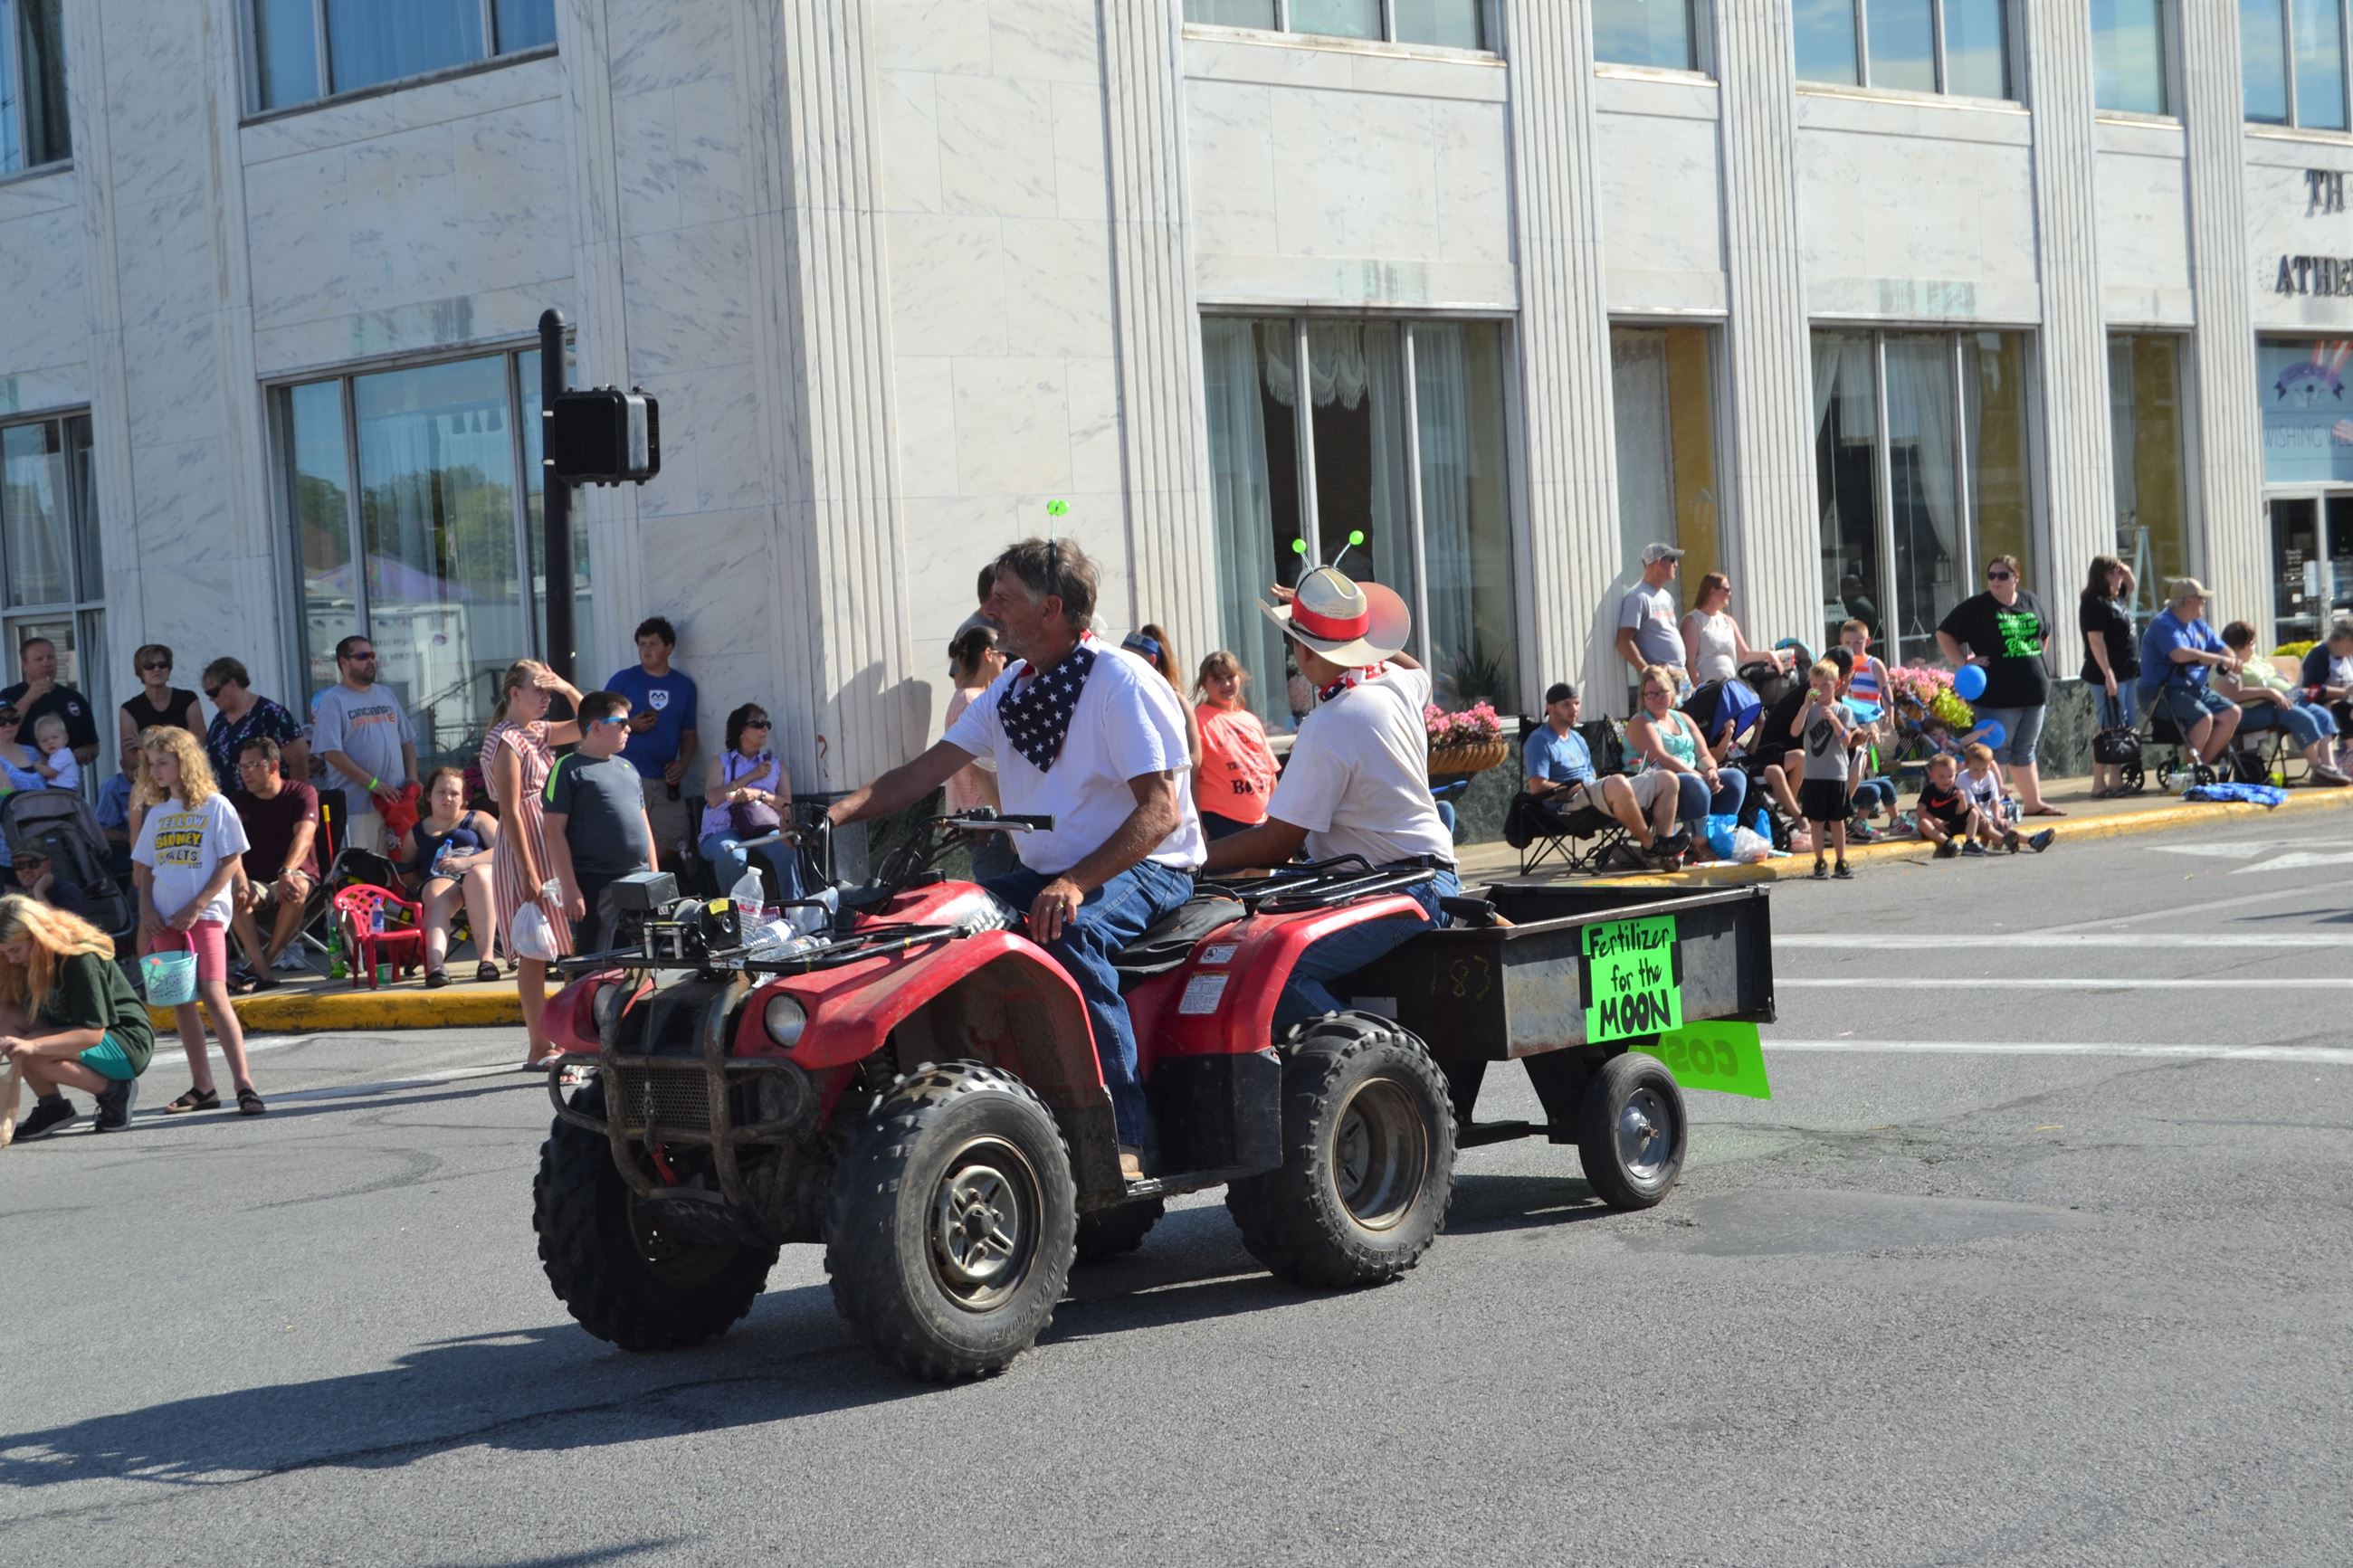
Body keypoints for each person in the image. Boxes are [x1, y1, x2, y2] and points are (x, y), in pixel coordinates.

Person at [825, 538, 1199, 1181]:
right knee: (944, 917)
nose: (987, 606)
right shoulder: (1011, 690)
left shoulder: (1120, 682)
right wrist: (833, 813)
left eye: (1004, 596)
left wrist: (1077, 884)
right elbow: (923, 772)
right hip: (1051, 870)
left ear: (1051, 608)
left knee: (1069, 928)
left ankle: (1125, 1135)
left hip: (1148, 866)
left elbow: (1160, 812)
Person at [1201, 565, 1454, 1026]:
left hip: (1398, 889)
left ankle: (1375, 1066)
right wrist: (1358, 632)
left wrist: (1192, 857)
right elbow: (1417, 671)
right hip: (1425, 881)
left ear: (1302, 650)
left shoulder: (1330, 721)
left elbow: (1276, 843)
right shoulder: (1394, 687)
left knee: (1270, 971)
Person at [131, 727, 263, 1117]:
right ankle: (203, 1086)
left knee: (213, 991)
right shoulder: (158, 813)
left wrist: (198, 903)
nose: (155, 771)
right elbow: (147, 870)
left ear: (182, 763)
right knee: (179, 999)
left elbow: (230, 861)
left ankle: (244, 1083)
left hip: (202, 915)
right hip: (164, 918)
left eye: (162, 763)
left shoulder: (215, 805)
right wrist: (146, 909)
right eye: (151, 764)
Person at [481, 660, 586, 1070]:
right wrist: (528, 871)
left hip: (553, 841)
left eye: (547, 691)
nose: (545, 698)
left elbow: (587, 720)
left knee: (566, 944)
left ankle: (566, 1036)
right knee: (535, 950)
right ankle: (539, 1044)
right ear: (514, 694)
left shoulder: (539, 732)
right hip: (526, 845)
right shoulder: (504, 739)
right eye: (538, 690)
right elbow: (509, 810)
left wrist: (562, 684)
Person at [0, 897, 156, 1138]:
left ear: (38, 935)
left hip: (125, 1040)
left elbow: (92, 1034)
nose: (11, 960)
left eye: (14, 951)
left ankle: (115, 1092)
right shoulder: (21, 960)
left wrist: (32, 1044)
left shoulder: (79, 958)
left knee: (27, 1053)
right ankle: (53, 1108)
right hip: (74, 1029)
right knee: (6, 1019)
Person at [1937, 555, 2062, 817]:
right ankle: (1994, 807)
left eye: (2003, 575)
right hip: (1996, 694)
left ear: (2016, 577)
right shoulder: (1977, 607)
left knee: (2025, 748)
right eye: (1991, 575)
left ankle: (2033, 802)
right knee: (1996, 750)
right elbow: (1944, 633)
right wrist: (1964, 663)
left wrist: (2032, 661)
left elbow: (2044, 635)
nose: (1996, 581)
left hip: (2034, 690)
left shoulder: (2030, 600)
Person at [542, 690, 658, 957]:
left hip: (638, 879)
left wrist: (655, 875)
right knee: (596, 963)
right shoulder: (567, 768)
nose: (629, 728)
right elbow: (553, 831)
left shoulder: (628, 768)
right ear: (595, 727)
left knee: (640, 960)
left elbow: (644, 826)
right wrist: (570, 888)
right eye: (621, 723)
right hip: (595, 883)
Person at [1519, 680, 1683, 864]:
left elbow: (1592, 776)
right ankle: (1651, 845)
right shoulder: (1539, 741)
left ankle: (1666, 851)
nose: (1574, 709)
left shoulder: (1578, 738)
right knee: (1617, 783)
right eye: (1566, 705)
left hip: (1597, 795)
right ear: (1550, 708)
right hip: (1568, 805)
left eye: (1576, 703)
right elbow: (1538, 789)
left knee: (1668, 779)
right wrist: (1573, 789)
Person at [225, 736, 320, 990]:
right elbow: (230, 849)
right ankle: (262, 969)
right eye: (242, 766)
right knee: (234, 894)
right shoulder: (238, 801)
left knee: (295, 889)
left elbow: (305, 835)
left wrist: (287, 871)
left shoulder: (301, 793)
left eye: (252, 765)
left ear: (274, 766)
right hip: (257, 882)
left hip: (295, 876)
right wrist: (241, 882)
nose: (245, 773)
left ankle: (259, 966)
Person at [606, 616, 700, 869]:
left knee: (676, 838)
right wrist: (630, 725)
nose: (646, 650)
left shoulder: (684, 686)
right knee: (625, 837)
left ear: (669, 648)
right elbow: (599, 723)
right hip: (628, 775)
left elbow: (689, 733)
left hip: (666, 778)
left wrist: (685, 763)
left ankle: (645, 873)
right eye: (642, 644)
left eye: (653, 644)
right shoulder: (623, 680)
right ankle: (635, 882)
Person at [312, 634, 416, 859]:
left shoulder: (386, 693)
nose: (371, 661)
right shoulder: (333, 700)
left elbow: (406, 739)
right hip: (359, 808)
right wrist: (375, 784)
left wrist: (413, 778)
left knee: (401, 868)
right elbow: (332, 753)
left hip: (397, 802)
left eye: (372, 655)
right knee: (366, 873)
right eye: (362, 656)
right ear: (344, 663)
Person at [398, 765, 500, 986]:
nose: (448, 798)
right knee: (435, 892)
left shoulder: (478, 819)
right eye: (441, 792)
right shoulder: (416, 833)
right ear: (428, 796)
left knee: (478, 876)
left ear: (463, 797)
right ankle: (435, 966)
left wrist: (466, 862)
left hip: (479, 876)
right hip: (442, 883)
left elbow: (505, 850)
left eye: (454, 793)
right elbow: (407, 872)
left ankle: (486, 960)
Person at [2215, 622, 2349, 785]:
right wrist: (2270, 692)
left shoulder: (2255, 659)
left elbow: (2272, 673)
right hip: (2253, 709)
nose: (2254, 647)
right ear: (2239, 646)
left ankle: (2329, 766)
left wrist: (2281, 679)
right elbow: (2231, 695)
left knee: (2323, 714)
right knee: (2300, 715)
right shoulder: (2225, 665)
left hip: (2285, 697)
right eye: (2251, 643)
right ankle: (2317, 768)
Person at [1628, 663, 1746, 849]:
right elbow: (1661, 758)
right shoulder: (1641, 723)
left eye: (1662, 691)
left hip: (1691, 775)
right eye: (1650, 694)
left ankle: (1718, 835)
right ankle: (1700, 844)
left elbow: (1703, 754)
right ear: (1642, 697)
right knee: (1695, 783)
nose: (1656, 698)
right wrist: (1698, 775)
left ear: (1672, 692)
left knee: (1735, 778)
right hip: (1659, 781)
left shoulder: (1682, 718)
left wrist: (1711, 771)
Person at [699, 703, 804, 905]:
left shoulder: (775, 765)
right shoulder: (720, 762)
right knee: (732, 854)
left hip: (763, 828)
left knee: (787, 846)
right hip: (723, 830)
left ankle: (796, 909)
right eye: (757, 723)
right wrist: (750, 777)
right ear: (740, 730)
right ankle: (736, 917)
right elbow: (713, 798)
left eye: (767, 724)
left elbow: (788, 807)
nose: (764, 728)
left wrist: (757, 794)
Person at [2137, 579, 2243, 768]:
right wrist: (2218, 660)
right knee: (2203, 717)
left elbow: (2221, 648)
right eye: (2201, 599)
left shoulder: (2198, 625)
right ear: (2188, 601)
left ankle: (2198, 766)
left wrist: (2232, 660)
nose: (2204, 603)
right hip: (2161, 693)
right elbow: (2179, 654)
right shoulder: (2163, 624)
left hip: (2194, 688)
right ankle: (2187, 771)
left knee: (2232, 713)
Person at [942, 624, 1016, 879]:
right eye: (1003, 653)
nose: (1006, 659)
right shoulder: (972, 701)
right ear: (988, 654)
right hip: (986, 822)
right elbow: (980, 772)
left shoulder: (965, 697)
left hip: (977, 820)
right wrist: (1008, 823)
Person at [1193, 651, 1281, 845]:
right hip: (1221, 822)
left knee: (1263, 877)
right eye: (1217, 679)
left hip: (1263, 822)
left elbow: (1269, 771)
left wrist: (1279, 818)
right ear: (1203, 685)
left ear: (1239, 678)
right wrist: (1198, 824)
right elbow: (1191, 778)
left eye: (1230, 677)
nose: (1226, 684)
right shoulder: (1198, 721)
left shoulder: (1251, 720)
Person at [2080, 555, 2142, 799]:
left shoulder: (2115, 599)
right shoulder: (2093, 603)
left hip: (2126, 673)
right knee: (2108, 728)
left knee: (2121, 728)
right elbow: (2096, 641)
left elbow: (2132, 585)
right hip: (2106, 675)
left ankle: (2116, 781)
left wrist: (2124, 568)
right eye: (2115, 573)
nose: (2121, 578)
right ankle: (2099, 783)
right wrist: (2108, 674)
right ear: (2103, 576)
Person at [200, 657, 309, 797]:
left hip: (266, 805)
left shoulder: (269, 713)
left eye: (213, 692)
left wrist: (295, 800)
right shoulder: (219, 720)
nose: (211, 699)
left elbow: (299, 757)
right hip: (229, 807)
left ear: (232, 684)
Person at [1791, 659, 1859, 879]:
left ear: (1836, 684)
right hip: (1813, 774)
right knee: (1817, 821)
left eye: (1825, 685)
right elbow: (1794, 731)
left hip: (1836, 774)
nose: (1819, 689)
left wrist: (1834, 721)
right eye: (1815, 685)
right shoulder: (1809, 711)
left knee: (1837, 820)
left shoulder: (1843, 710)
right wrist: (1804, 707)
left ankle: (1841, 859)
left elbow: (1847, 740)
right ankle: (1819, 861)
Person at [0, 636, 100, 765]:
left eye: (51, 657)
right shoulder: (8, 696)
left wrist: (85, 752)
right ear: (25, 666)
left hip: (65, 781)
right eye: (39, 659)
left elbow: (93, 745)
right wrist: (28, 698)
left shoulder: (74, 698)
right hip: (23, 778)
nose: (46, 663)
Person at [1681, 572, 1790, 687]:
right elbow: (1690, 663)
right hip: (1707, 689)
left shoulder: (1728, 621)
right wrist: (1701, 690)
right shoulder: (1693, 621)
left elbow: (1745, 655)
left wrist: (1769, 654)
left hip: (1729, 686)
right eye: (1727, 590)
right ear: (1713, 591)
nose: (1730, 593)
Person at [1123, 624, 1204, 770]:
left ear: (1152, 659)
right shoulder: (1124, 695)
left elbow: (1194, 757)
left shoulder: (1176, 700)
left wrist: (1155, 770)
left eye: (1130, 658)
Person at [1616, 543, 1689, 695]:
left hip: (1680, 675)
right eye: (1672, 560)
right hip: (1662, 681)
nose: (1676, 564)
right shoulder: (1637, 597)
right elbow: (1624, 641)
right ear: (1659, 562)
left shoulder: (1666, 596)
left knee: (1683, 718)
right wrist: (1650, 673)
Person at [119, 642, 204, 757]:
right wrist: (179, 744)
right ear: (140, 672)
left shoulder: (188, 699)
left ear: (169, 669)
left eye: (162, 664)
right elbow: (130, 758)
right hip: (148, 774)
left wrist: (145, 745)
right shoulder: (129, 709)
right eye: (149, 666)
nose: (157, 669)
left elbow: (198, 744)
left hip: (185, 770)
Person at [2301, 619, 2353, 768]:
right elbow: (2311, 690)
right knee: (2347, 710)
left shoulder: (2346, 657)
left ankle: (2345, 756)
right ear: (2346, 640)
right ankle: (2348, 754)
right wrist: (2343, 693)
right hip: (2316, 704)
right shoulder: (2318, 655)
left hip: (2340, 702)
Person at [1912, 751, 1983, 860]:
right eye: (1941, 776)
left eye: (1950, 776)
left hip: (1951, 823)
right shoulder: (1929, 790)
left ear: (1956, 774)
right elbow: (1920, 811)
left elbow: (1962, 811)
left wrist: (1962, 799)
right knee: (1922, 823)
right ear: (1932, 776)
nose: (1946, 780)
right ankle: (1947, 843)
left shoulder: (1956, 790)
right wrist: (1936, 821)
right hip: (1936, 827)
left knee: (1973, 812)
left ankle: (1970, 843)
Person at [96, 751, 136, 881]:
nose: (140, 775)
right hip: (126, 851)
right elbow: (103, 831)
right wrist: (132, 839)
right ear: (122, 765)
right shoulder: (112, 788)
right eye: (134, 769)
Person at [29, 713, 79, 791]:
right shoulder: (55, 756)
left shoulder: (63, 754)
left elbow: (51, 772)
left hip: (64, 791)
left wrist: (36, 766)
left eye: (55, 737)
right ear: (39, 745)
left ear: (66, 739)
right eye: (44, 740)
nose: (50, 742)